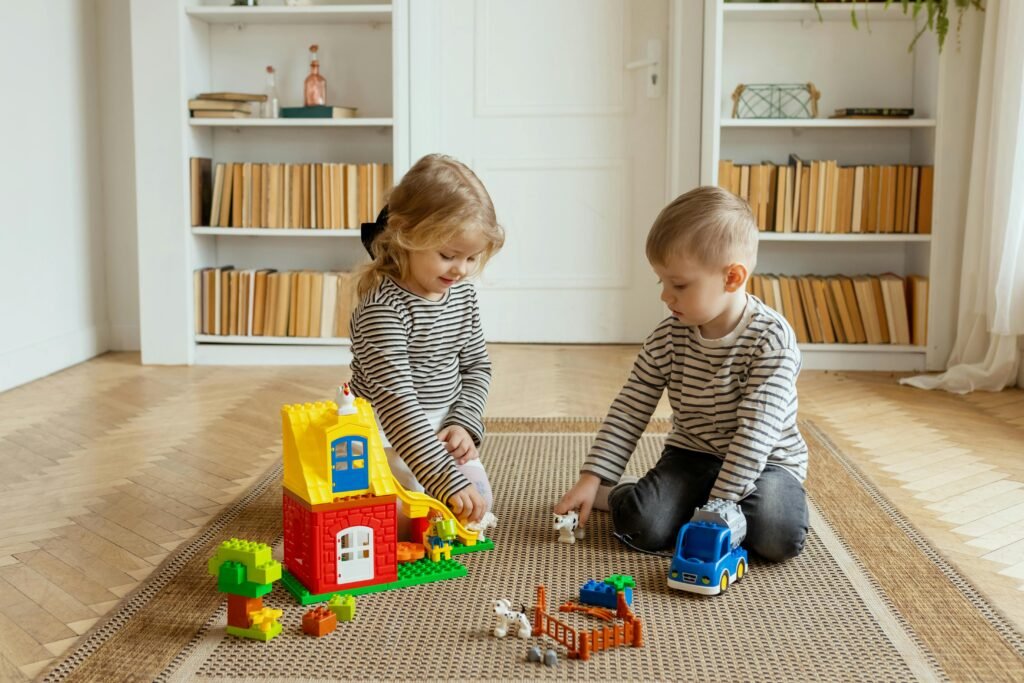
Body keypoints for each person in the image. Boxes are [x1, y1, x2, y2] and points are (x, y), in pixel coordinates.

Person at [555, 186, 808, 561]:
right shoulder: (667, 337)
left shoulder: (772, 341)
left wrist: (718, 508)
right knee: (642, 526)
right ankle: (625, 493)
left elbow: (756, 435)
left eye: (679, 285)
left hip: (767, 461)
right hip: (692, 455)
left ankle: (712, 504)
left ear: (732, 278)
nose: (665, 297)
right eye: (662, 282)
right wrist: (594, 479)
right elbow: (630, 410)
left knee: (777, 536)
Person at [349, 154, 505, 524]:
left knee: (477, 510)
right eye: (448, 255)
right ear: (404, 233)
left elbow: (476, 366)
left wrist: (463, 422)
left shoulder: (462, 297)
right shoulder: (383, 310)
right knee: (405, 522)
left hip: (442, 429)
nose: (461, 270)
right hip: (387, 436)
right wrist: (445, 479)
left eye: (471, 258)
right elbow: (398, 405)